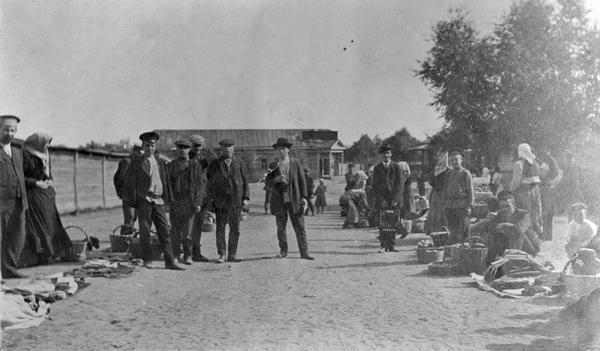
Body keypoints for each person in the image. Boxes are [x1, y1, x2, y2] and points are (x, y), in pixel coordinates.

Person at [123, 131, 184, 270]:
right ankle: (147, 259)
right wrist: (134, 201)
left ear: (155, 146)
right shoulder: (136, 163)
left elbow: (166, 182)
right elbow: (130, 184)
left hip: (159, 201)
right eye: (147, 146)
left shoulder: (161, 162)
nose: (150, 148)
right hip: (145, 200)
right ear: (142, 146)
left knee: (165, 230)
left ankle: (170, 261)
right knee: (145, 231)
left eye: (152, 145)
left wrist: (168, 200)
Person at [20, 133, 72, 266]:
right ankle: (38, 257)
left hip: (46, 197)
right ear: (37, 143)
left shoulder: (45, 155)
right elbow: (20, 177)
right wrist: (36, 183)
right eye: (45, 144)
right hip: (34, 196)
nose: (47, 147)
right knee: (38, 227)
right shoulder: (25, 155)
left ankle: (50, 254)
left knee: (51, 225)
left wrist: (50, 181)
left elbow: (49, 173)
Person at [266, 137, 314, 260]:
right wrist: (275, 180)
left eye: (284, 149)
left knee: (300, 226)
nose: (281, 151)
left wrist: (304, 198)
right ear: (276, 151)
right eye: (279, 149)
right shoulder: (272, 165)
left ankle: (304, 252)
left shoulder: (296, 163)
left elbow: (302, 182)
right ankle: (283, 250)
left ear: (288, 150)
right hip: (279, 200)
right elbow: (267, 184)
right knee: (281, 228)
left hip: (295, 199)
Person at [206, 139, 249, 263]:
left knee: (235, 229)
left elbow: (245, 181)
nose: (228, 150)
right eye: (225, 148)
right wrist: (212, 200)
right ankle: (222, 254)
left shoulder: (239, 162)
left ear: (233, 149)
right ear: (221, 150)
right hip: (221, 201)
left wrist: (246, 198)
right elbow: (210, 184)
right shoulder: (215, 164)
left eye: (230, 147)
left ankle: (232, 254)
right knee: (220, 228)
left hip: (236, 201)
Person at [168, 139, 204, 265]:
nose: (182, 150)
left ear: (189, 150)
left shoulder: (195, 166)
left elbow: (200, 186)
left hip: (190, 202)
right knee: (175, 232)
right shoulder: (171, 166)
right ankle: (176, 255)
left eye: (185, 148)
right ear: (176, 149)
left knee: (188, 233)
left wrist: (198, 202)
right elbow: (168, 186)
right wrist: (168, 203)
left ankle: (188, 255)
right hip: (176, 202)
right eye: (180, 147)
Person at [0, 115, 28, 278]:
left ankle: (9, 270)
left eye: (12, 130)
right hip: (1, 202)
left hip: (19, 201)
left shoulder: (18, 152)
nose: (10, 133)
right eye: (6, 129)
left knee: (17, 237)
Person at [483, 191, 539, 265]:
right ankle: (489, 264)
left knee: (517, 234)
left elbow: (519, 229)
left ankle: (513, 261)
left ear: (514, 205)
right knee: (495, 237)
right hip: (510, 248)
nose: (505, 209)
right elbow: (488, 227)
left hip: (527, 248)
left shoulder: (524, 214)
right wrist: (498, 225)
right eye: (502, 207)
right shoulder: (500, 214)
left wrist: (504, 225)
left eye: (507, 206)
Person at [372, 144, 403, 252]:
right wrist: (381, 200)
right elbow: (375, 186)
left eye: (388, 153)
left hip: (394, 200)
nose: (386, 155)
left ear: (391, 154)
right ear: (381, 155)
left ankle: (392, 245)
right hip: (382, 200)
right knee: (383, 222)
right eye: (384, 153)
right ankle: (383, 245)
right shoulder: (377, 168)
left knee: (393, 222)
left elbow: (400, 184)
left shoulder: (396, 167)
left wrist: (395, 199)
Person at [442, 149, 474, 244]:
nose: (454, 162)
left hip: (462, 205)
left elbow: (470, 190)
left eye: (456, 159)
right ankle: (454, 250)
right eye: (452, 160)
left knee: (464, 228)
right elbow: (445, 190)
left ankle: (465, 249)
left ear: (461, 160)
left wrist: (470, 205)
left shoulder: (465, 173)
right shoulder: (448, 174)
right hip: (450, 205)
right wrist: (444, 204)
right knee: (452, 229)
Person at [509, 143, 542, 234]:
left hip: (524, 190)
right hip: (535, 189)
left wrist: (510, 191)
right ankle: (534, 234)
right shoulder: (535, 163)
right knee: (534, 213)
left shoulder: (518, 164)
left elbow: (516, 181)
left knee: (524, 214)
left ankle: (523, 235)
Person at [188, 134, 210, 262]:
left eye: (200, 146)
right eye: (195, 146)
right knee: (189, 227)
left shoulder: (204, 160)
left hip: (203, 198)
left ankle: (197, 253)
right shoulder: (187, 160)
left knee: (198, 227)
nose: (198, 149)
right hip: (191, 199)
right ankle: (188, 253)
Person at [113, 145, 142, 235]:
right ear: (133, 152)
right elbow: (118, 178)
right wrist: (121, 192)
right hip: (128, 195)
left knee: (133, 218)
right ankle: (124, 238)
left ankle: (129, 238)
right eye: (138, 153)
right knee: (129, 217)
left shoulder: (137, 163)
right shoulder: (126, 162)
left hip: (135, 195)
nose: (140, 155)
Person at [538, 151, 562, 241]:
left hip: (545, 189)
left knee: (545, 212)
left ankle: (545, 234)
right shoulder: (554, 165)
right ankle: (549, 235)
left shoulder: (546, 164)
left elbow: (542, 174)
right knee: (550, 213)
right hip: (551, 189)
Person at [424, 151, 449, 235]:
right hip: (435, 194)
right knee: (434, 213)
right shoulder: (436, 169)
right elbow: (431, 182)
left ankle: (443, 232)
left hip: (444, 194)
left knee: (443, 214)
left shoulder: (449, 170)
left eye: (441, 157)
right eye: (439, 157)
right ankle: (434, 232)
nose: (440, 159)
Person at [559, 152, 585, 220]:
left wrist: (580, 188)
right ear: (566, 160)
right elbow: (561, 178)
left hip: (576, 190)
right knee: (569, 208)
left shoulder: (577, 167)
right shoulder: (564, 168)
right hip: (567, 190)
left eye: (571, 159)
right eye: (568, 159)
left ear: (573, 159)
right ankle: (570, 222)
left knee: (577, 207)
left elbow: (582, 178)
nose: (570, 161)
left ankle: (578, 220)